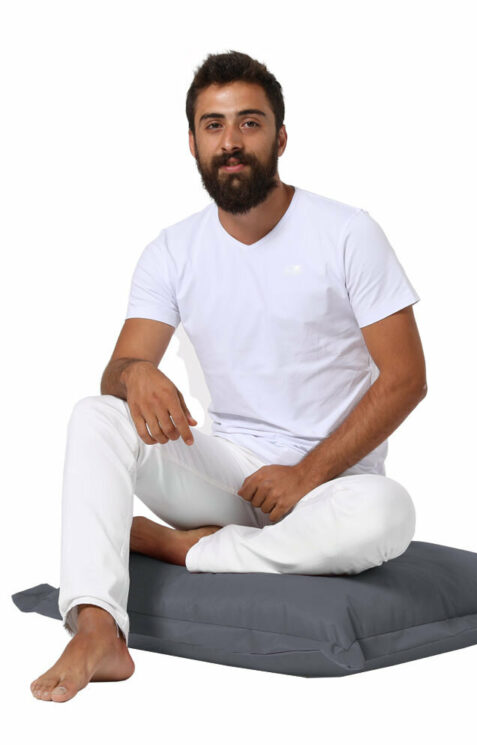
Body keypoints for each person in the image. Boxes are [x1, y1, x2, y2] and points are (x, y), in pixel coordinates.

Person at [30, 50, 427, 703]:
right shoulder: (172, 250)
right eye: (213, 126)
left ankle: (181, 549)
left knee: (390, 513)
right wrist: (135, 375)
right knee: (95, 414)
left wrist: (307, 474)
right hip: (229, 472)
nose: (231, 141)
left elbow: (406, 378)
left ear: (281, 137)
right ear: (192, 143)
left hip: (333, 486)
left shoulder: (347, 233)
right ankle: (97, 627)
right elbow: (117, 370)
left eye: (250, 122)